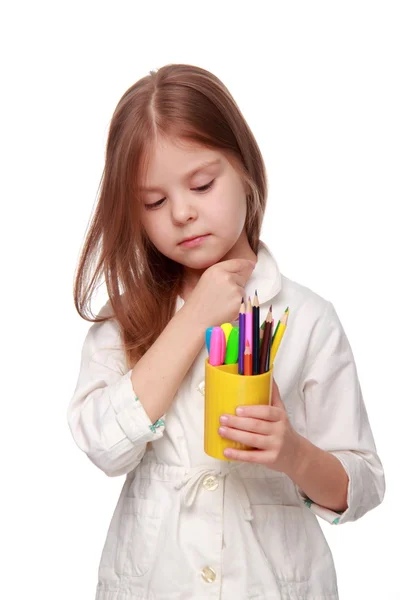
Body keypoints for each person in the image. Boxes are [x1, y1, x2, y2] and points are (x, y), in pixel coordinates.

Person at [67, 63, 385, 600]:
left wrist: (292, 453)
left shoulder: (308, 317)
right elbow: (102, 446)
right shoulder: (126, 318)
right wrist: (192, 319)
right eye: (155, 202)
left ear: (246, 171)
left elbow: (364, 486)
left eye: (202, 184)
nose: (184, 212)